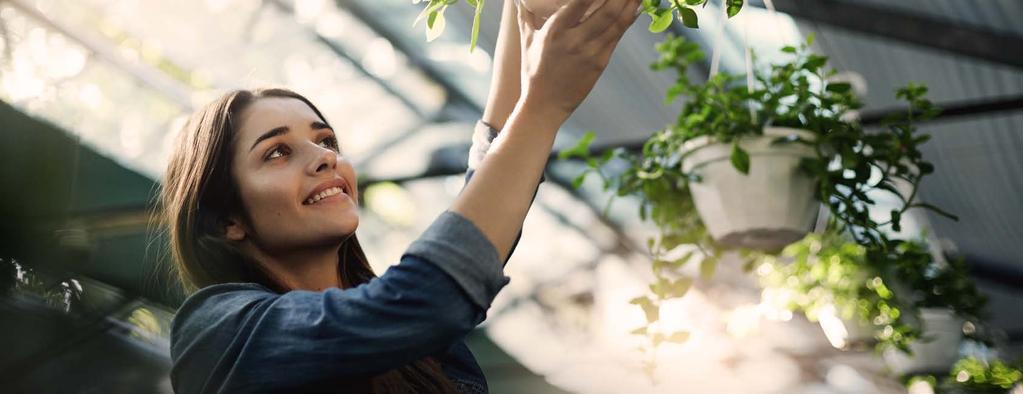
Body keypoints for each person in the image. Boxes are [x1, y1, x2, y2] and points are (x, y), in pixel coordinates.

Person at [164, 0, 640, 392]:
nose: (324, 157)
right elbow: (431, 292)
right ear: (226, 219)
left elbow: (483, 210)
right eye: (276, 153)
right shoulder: (218, 332)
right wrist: (543, 104)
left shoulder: (417, 346)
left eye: (326, 141)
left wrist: (523, 19)